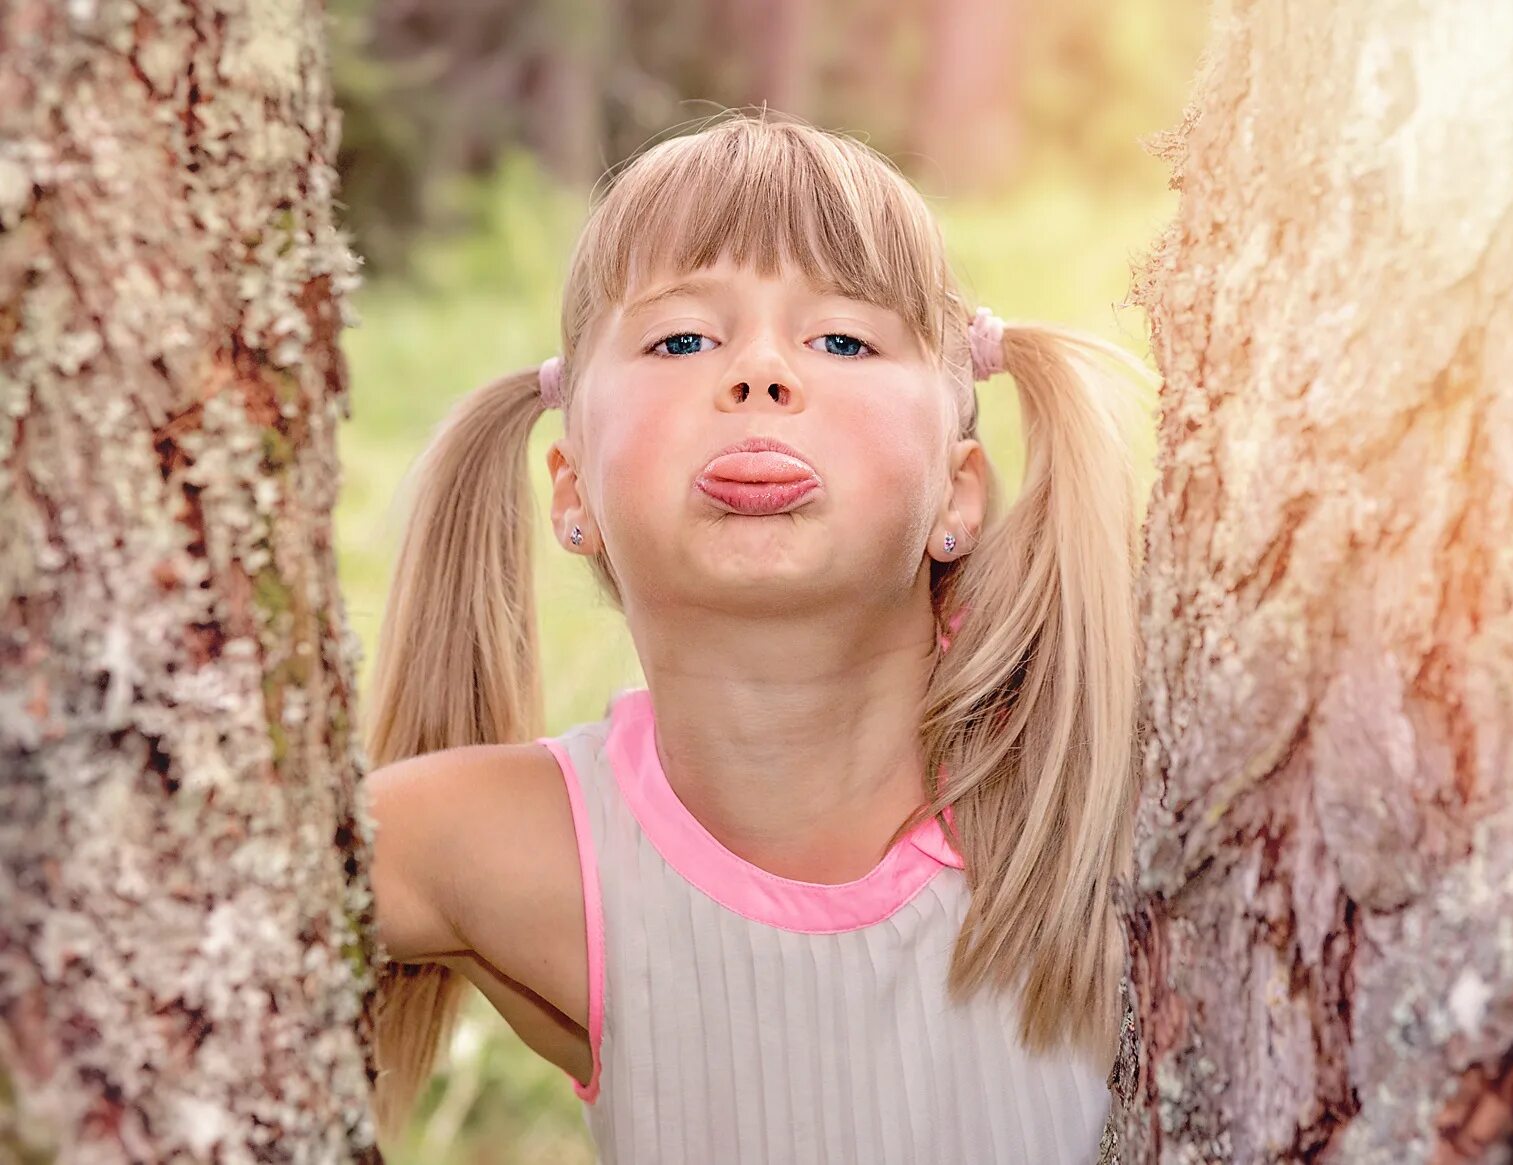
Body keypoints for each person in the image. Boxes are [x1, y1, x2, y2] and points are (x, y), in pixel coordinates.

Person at [359, 110, 1147, 1163]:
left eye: (841, 339)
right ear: (572, 491)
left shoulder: (1093, 789)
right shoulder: (510, 850)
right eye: (682, 338)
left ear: (958, 492)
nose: (760, 376)